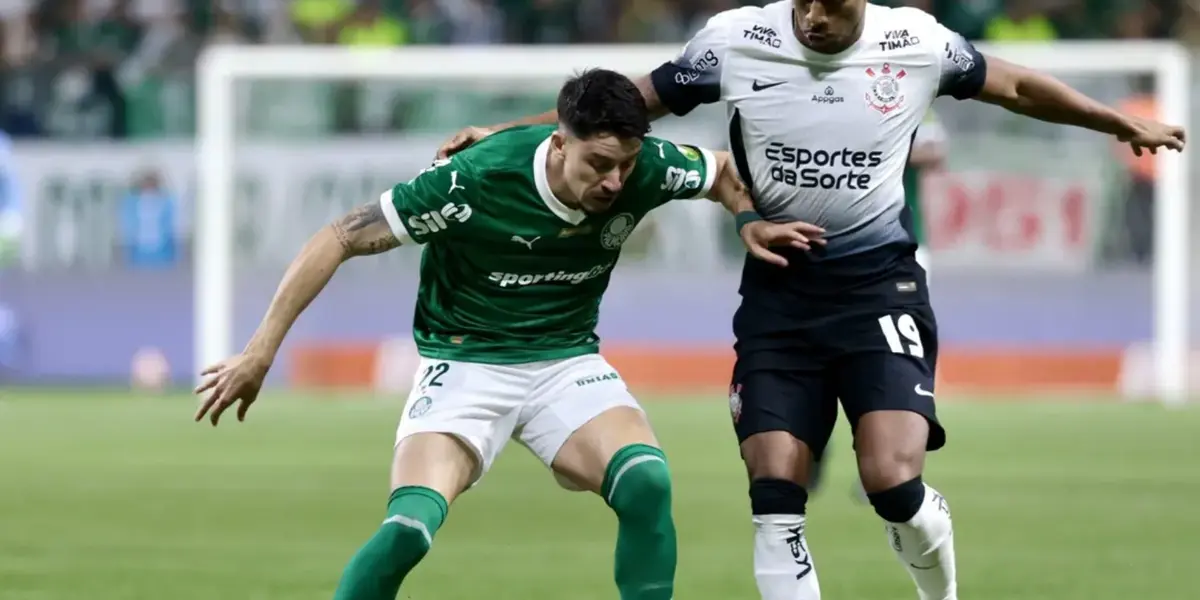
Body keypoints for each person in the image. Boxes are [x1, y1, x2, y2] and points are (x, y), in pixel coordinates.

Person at [436, 2, 1186, 599]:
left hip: (877, 286)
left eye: (830, 5)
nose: (813, 18)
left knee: (892, 482)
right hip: (780, 294)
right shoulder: (737, 41)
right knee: (775, 495)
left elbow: (1015, 86)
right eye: (803, 3)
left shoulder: (915, 43)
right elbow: (628, 106)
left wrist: (1116, 121)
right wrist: (508, 134)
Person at [193, 68, 822, 600]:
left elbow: (719, 170)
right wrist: (258, 353)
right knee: (409, 530)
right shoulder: (475, 180)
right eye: (599, 164)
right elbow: (340, 236)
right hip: (465, 365)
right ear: (559, 143)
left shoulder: (647, 168)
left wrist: (746, 218)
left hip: (564, 361)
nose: (614, 181)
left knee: (647, 483)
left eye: (625, 165)